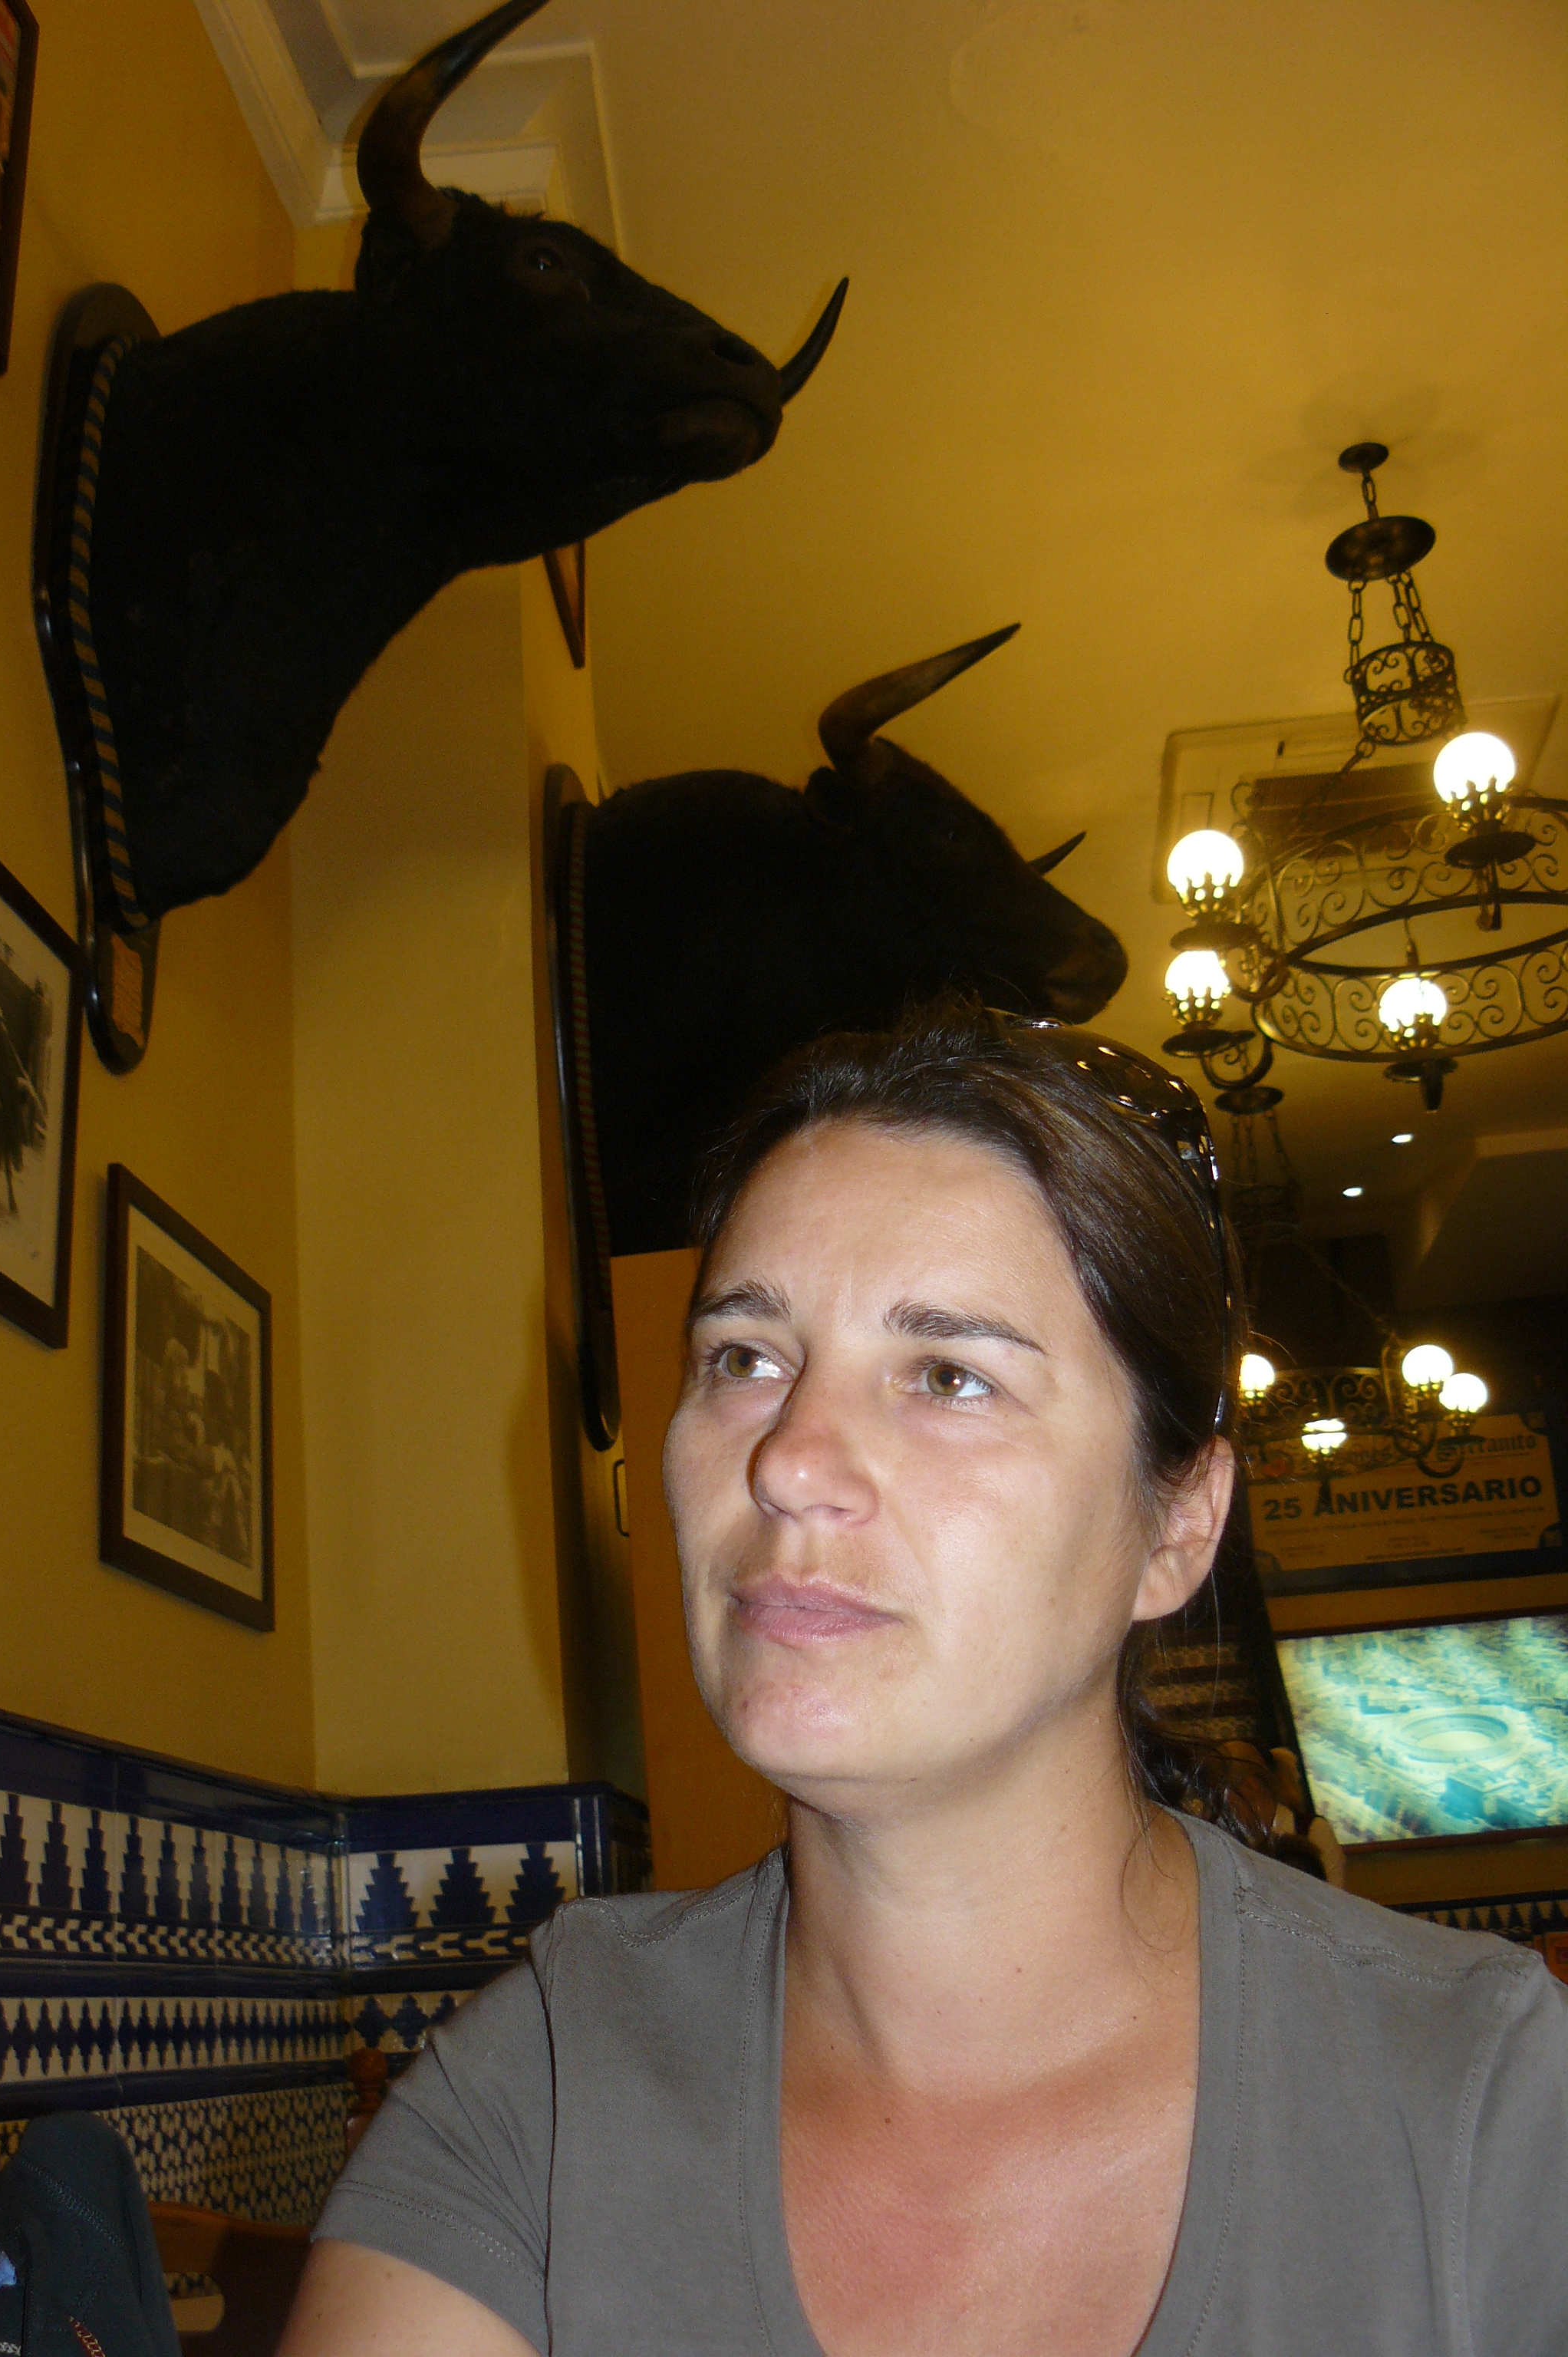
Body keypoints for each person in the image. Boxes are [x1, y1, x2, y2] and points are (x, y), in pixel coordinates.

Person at [284, 1005, 1568, 2357]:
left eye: (949, 1376)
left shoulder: (1485, 2102)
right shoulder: (543, 2087)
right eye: (745, 1358)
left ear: (1178, 1525)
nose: (788, 1460)